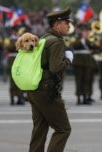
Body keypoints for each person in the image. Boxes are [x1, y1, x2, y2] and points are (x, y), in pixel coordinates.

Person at [26, 8, 73, 152]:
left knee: (40, 128)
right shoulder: (56, 42)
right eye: (66, 22)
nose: (69, 25)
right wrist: (68, 59)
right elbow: (55, 67)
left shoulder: (43, 38)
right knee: (63, 129)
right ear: (57, 24)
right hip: (47, 90)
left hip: (35, 88)